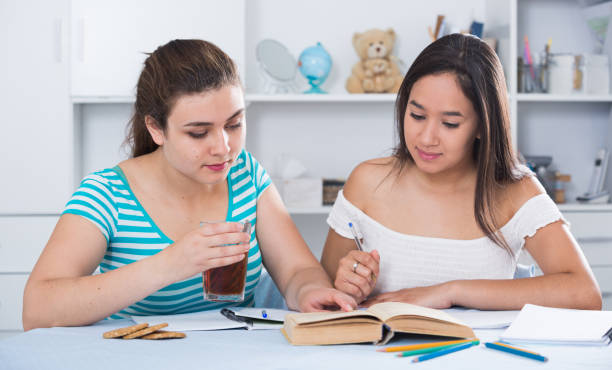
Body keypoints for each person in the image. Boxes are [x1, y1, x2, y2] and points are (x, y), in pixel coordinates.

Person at [22, 39, 356, 330]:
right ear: (156, 129)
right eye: (198, 133)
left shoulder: (246, 175)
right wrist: (169, 264)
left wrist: (310, 291)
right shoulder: (107, 194)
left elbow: (297, 269)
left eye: (235, 124)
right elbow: (37, 310)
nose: (223, 147)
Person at [320, 33, 602, 310]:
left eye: (450, 123)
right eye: (417, 115)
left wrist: (451, 291)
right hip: (379, 352)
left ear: (483, 125)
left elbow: (584, 292)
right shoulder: (368, 182)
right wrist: (347, 283)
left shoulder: (515, 191)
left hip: (480, 355)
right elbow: (325, 293)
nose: (427, 138)